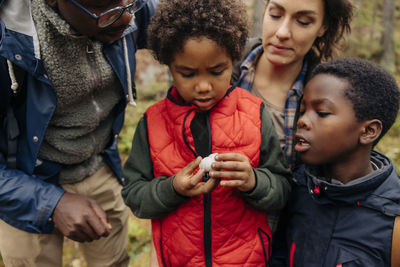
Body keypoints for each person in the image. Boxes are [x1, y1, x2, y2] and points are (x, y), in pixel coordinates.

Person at [121, 0, 292, 266]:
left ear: (233, 58)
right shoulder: (153, 122)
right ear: (169, 65)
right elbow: (134, 195)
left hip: (246, 259)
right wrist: (173, 188)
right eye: (187, 73)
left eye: (217, 71)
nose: (203, 86)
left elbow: (282, 188)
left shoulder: (254, 113)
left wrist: (254, 181)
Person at [0, 0, 157, 266]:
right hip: (23, 184)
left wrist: (248, 58)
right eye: (103, 7)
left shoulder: (124, 10)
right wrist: (50, 203)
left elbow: (191, 31)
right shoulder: (9, 40)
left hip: (99, 165)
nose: (126, 19)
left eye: (131, 2)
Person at [269, 57, 400, 266]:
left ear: (368, 131)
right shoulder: (297, 188)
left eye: (321, 113)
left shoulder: (393, 221)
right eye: (303, 110)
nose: (302, 120)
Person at [232, 0, 354, 168]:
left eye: (303, 21)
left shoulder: (329, 97)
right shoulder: (222, 58)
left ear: (323, 27)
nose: (282, 32)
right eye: (275, 14)